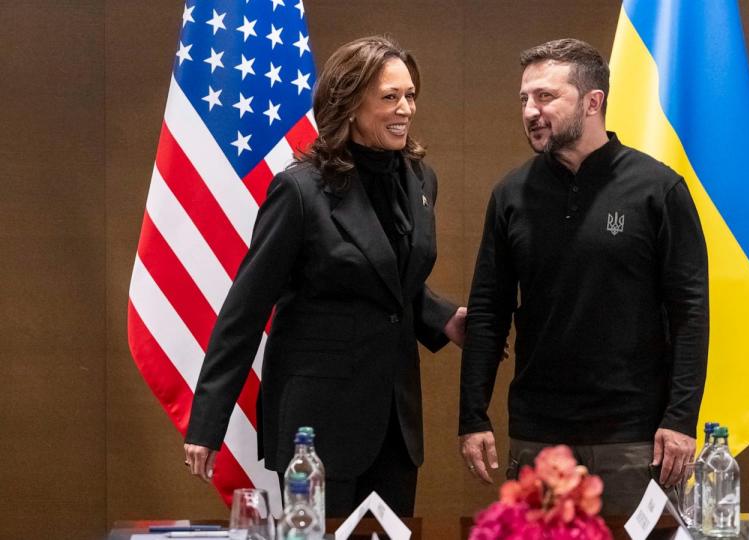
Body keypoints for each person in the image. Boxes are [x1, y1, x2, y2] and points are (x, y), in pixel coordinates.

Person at [183, 35, 465, 517]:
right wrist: (207, 423)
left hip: (395, 424)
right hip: (318, 426)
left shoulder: (421, 179)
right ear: (350, 104)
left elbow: (389, 283)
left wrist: (443, 319)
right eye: (390, 96)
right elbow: (245, 312)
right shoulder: (299, 191)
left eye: (411, 94)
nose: (406, 108)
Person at [458, 38, 709, 515]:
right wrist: (472, 416)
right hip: (538, 437)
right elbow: (488, 312)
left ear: (593, 102)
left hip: (635, 439)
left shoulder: (658, 189)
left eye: (546, 97)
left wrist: (681, 419)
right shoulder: (511, 194)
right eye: (524, 99)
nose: (531, 110)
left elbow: (690, 314)